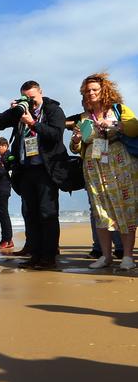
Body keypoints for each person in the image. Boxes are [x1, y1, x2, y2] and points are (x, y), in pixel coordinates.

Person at [0, 80, 69, 270]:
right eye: (26, 98)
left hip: (46, 169)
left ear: (40, 93)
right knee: (31, 214)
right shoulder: (20, 112)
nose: (30, 102)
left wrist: (33, 123)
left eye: (32, 98)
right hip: (25, 170)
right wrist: (14, 111)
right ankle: (35, 255)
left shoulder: (52, 110)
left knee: (47, 214)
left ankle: (49, 256)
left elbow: (56, 135)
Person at [69, 73, 137, 270]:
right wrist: (76, 140)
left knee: (124, 208)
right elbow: (76, 148)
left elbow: (135, 128)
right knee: (100, 211)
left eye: (94, 90)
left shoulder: (118, 110)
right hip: (94, 166)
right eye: (87, 91)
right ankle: (106, 256)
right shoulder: (83, 117)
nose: (90, 93)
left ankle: (128, 257)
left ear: (104, 91)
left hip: (120, 164)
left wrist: (116, 124)